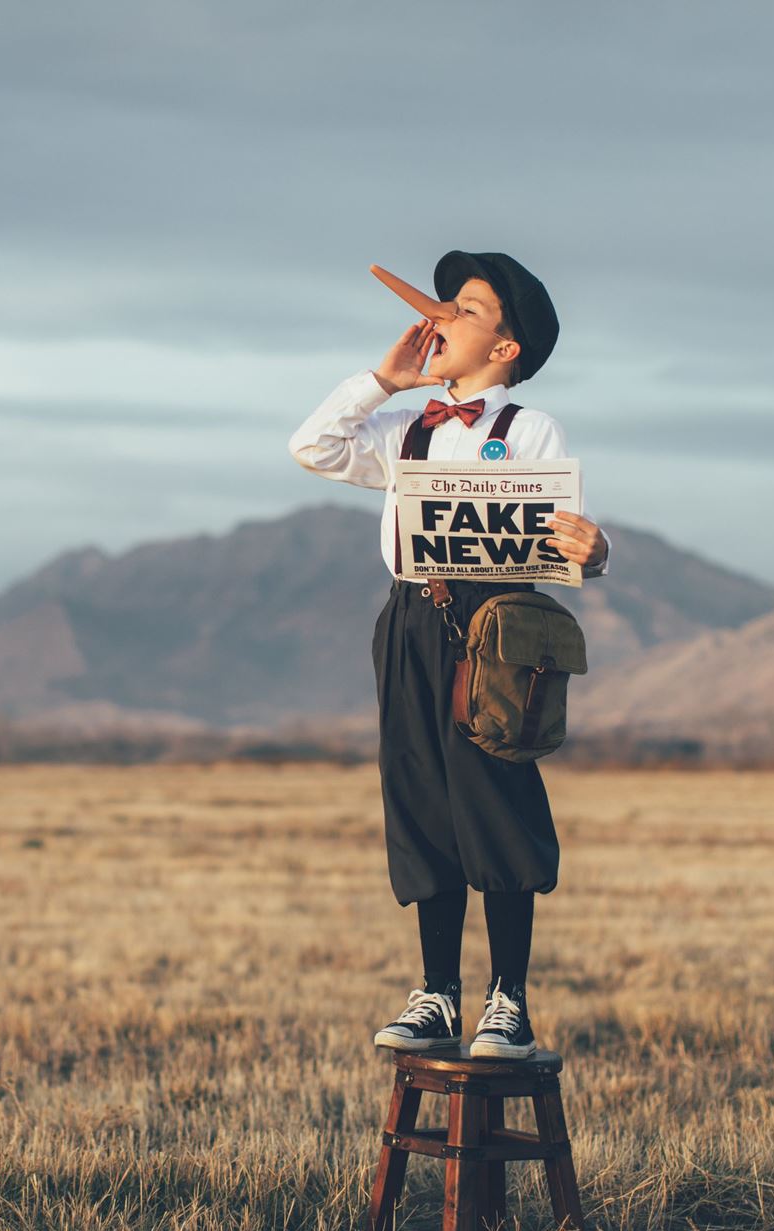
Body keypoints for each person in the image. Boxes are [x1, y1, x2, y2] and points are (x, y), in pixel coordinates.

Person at [287, 250, 609, 1060]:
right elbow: (313, 448)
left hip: (498, 624)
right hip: (410, 621)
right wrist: (383, 383)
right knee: (421, 796)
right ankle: (436, 992)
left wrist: (595, 550)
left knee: (494, 796)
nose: (440, 316)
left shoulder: (528, 428)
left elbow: (560, 540)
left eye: (464, 309)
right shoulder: (404, 429)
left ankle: (509, 999)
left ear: (505, 348)